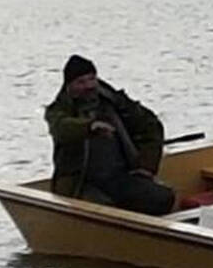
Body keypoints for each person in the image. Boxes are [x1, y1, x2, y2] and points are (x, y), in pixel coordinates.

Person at [45, 54, 175, 215]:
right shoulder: (58, 111)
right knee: (103, 211)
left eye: (91, 79)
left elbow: (150, 126)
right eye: (81, 82)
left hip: (120, 176)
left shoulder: (115, 102)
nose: (88, 86)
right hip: (82, 183)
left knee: (162, 197)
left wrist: (146, 166)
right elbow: (62, 128)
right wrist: (89, 127)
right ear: (69, 86)